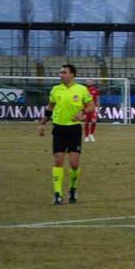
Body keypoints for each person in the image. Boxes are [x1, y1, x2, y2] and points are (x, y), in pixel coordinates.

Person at [37, 64, 95, 205]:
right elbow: (50, 106)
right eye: (60, 72)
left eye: (64, 72)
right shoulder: (56, 90)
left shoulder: (81, 90)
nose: (61, 74)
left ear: (72, 74)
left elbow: (91, 106)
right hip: (58, 129)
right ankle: (57, 194)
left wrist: (83, 113)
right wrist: (43, 122)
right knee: (58, 161)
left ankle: (73, 189)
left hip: (74, 129)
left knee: (74, 164)